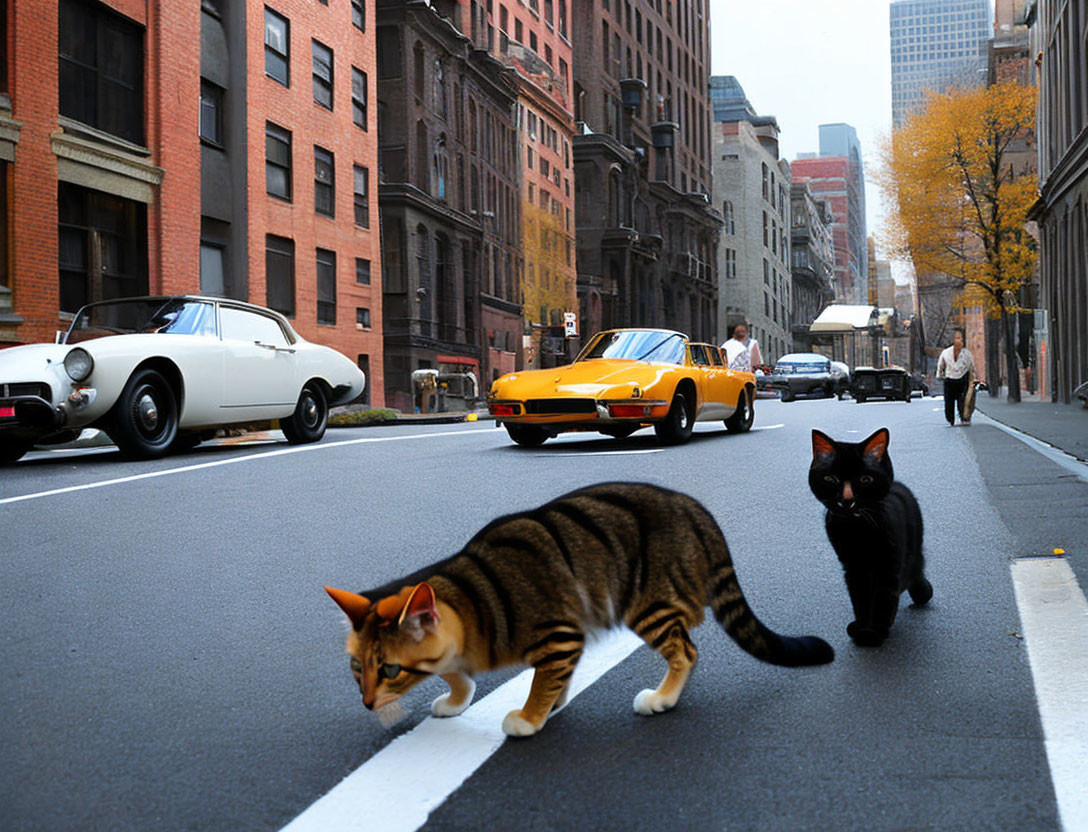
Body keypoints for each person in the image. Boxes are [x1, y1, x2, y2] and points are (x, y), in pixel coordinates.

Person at [936, 328, 975, 426]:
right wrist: (940, 375)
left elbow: (971, 367)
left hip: (963, 378)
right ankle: (950, 418)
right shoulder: (946, 352)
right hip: (949, 379)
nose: (959, 341)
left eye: (961, 339)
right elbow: (941, 365)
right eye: (957, 338)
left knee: (962, 399)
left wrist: (972, 379)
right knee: (949, 401)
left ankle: (963, 416)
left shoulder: (967, 353)